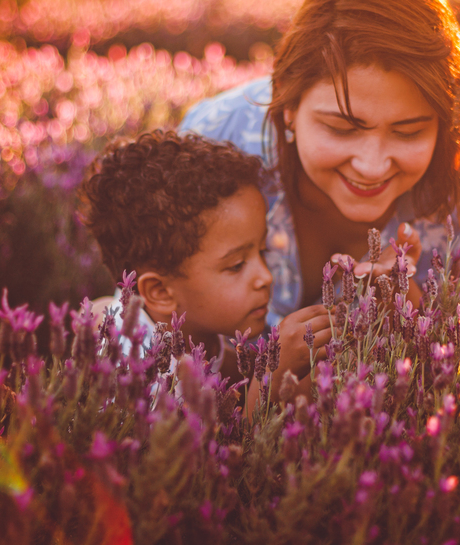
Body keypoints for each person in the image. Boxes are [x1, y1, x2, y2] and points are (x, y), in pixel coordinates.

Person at [181, 0, 460, 326]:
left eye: (408, 132)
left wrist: (419, 326)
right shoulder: (216, 135)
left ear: (446, 124)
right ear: (288, 107)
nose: (372, 165)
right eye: (341, 128)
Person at [78, 129, 331, 395]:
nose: (265, 277)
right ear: (160, 292)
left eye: (263, 251)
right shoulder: (137, 369)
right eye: (236, 265)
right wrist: (270, 378)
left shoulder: (190, 324)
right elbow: (218, 437)